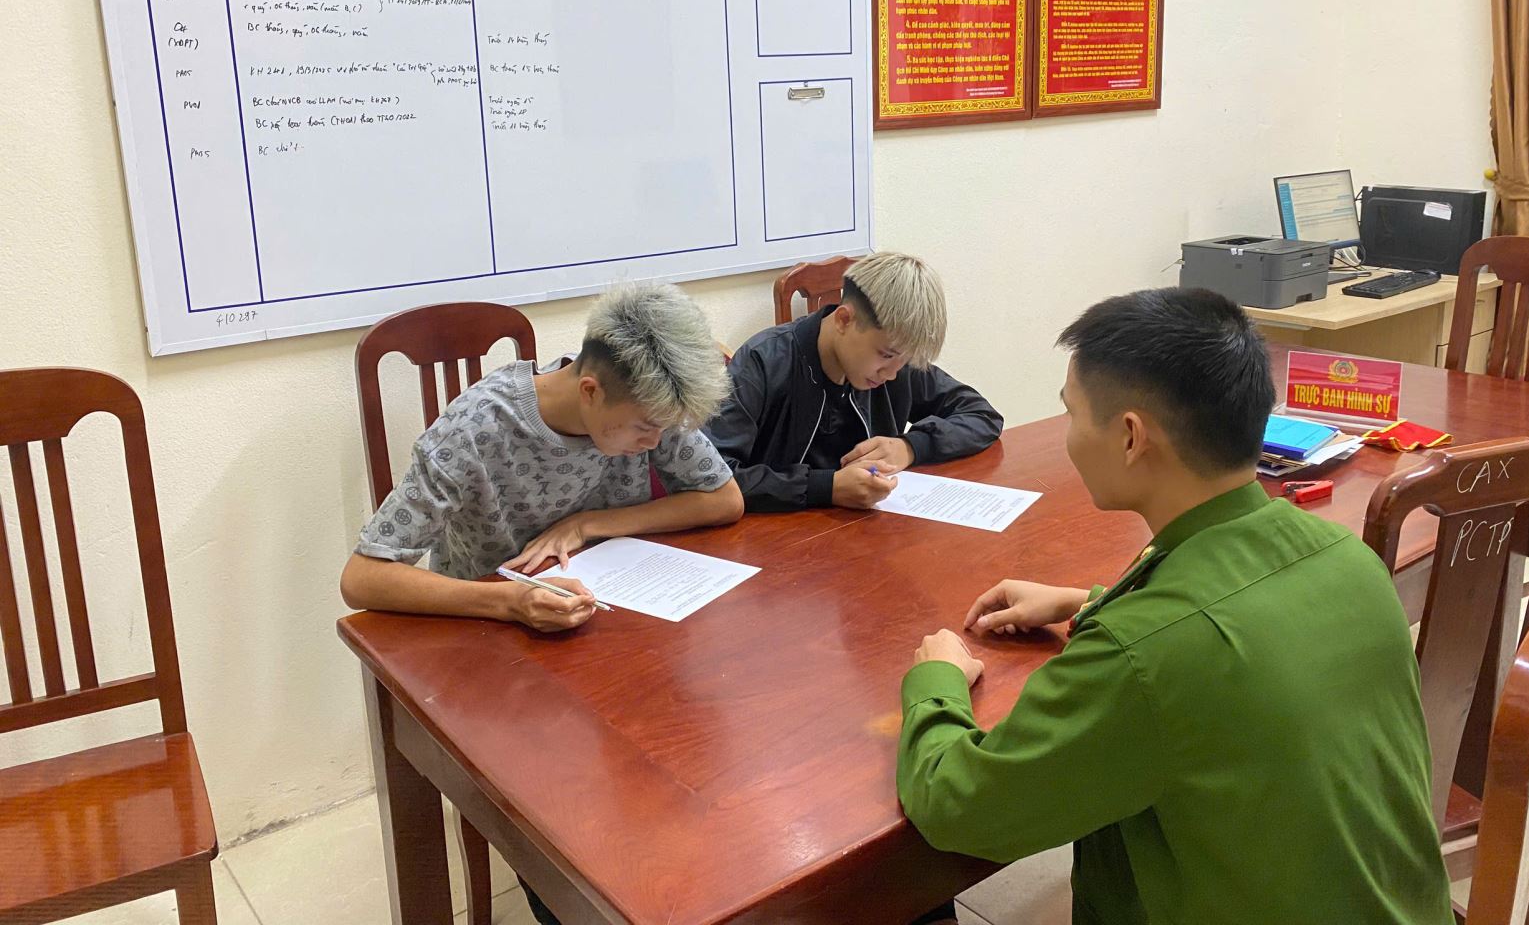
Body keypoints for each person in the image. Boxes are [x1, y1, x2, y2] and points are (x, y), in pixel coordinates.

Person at [896, 287, 1452, 925]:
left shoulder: (1143, 654)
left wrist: (935, 683)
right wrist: (1090, 603)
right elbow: (1233, 629)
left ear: (1131, 437)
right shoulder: (1347, 558)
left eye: (1072, 414)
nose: (1069, 436)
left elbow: (959, 809)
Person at [340, 281, 743, 631]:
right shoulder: (472, 430)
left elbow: (724, 499)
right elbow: (362, 578)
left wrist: (586, 524)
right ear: (590, 391)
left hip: (613, 612)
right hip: (488, 627)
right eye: (645, 428)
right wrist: (509, 602)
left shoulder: (650, 403)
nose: (655, 442)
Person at [705, 251, 1001, 512]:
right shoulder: (762, 361)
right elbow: (714, 475)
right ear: (844, 320)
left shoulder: (896, 363)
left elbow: (982, 415)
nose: (892, 374)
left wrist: (911, 446)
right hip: (776, 538)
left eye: (904, 361)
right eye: (886, 355)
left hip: (867, 531)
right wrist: (826, 487)